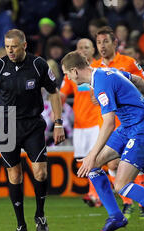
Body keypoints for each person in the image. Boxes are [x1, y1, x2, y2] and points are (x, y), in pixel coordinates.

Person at [61, 51, 144, 231]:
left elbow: (109, 123)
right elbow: (138, 80)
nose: (67, 77)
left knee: (121, 184)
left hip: (143, 130)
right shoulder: (107, 72)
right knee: (93, 167)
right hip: (128, 127)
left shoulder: (100, 83)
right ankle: (116, 216)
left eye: (67, 74)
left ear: (75, 71)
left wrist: (92, 154)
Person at [0, 29, 65, 231]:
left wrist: (58, 123)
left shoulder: (39, 65)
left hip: (33, 124)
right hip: (6, 125)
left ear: (24, 45)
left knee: (41, 172)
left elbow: (54, 94)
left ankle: (40, 215)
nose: (10, 50)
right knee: (15, 174)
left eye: (14, 46)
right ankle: (20, 225)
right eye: (7, 46)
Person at [91, 26, 144, 219]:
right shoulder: (95, 67)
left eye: (105, 42)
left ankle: (143, 203)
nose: (102, 46)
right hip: (112, 122)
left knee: (133, 162)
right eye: (99, 42)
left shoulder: (129, 62)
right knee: (112, 163)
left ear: (115, 43)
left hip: (134, 122)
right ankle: (127, 203)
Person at [60, 38, 102, 207]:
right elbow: (62, 93)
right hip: (79, 123)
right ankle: (96, 192)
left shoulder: (99, 68)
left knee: (95, 160)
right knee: (83, 161)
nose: (83, 50)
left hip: (97, 122)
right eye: (79, 47)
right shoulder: (72, 72)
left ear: (93, 50)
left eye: (86, 47)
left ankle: (95, 194)